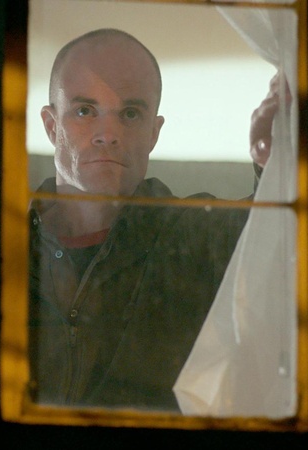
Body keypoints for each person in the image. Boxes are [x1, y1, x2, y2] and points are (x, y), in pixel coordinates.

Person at [28, 28, 281, 411]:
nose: (108, 134)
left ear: (154, 133)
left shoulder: (193, 236)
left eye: (130, 113)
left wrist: (275, 159)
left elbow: (272, 233)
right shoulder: (4, 242)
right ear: (51, 126)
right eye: (85, 111)